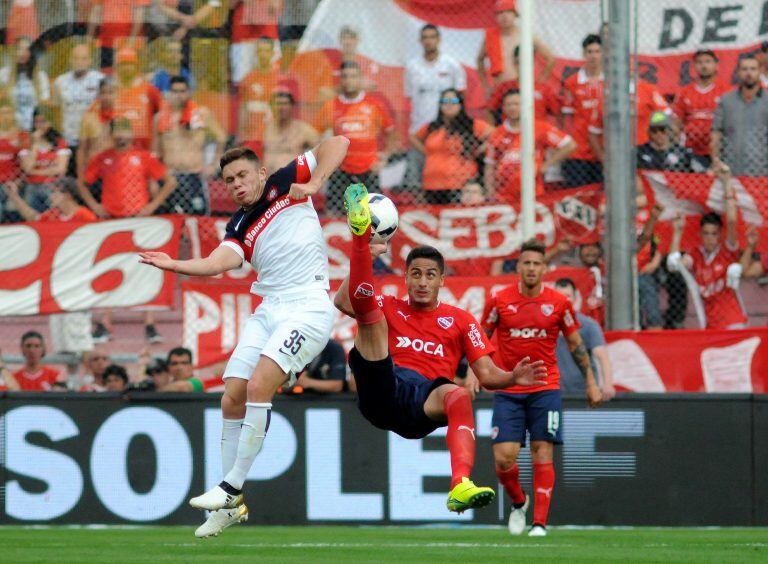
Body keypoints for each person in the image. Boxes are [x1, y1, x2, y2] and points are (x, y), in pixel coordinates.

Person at [138, 135, 350, 538]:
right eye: (229, 179)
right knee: (231, 394)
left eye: (242, 175)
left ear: (261, 173)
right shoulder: (238, 224)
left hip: (308, 305)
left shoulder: (287, 182)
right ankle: (230, 504)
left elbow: (337, 141)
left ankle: (232, 487)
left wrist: (316, 181)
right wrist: (174, 264)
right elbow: (218, 263)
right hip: (269, 309)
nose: (236, 184)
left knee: (258, 385)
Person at [334, 184, 547, 517]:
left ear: (442, 280)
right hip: (382, 387)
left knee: (460, 396)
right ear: (405, 277)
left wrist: (512, 378)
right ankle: (359, 238)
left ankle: (460, 484)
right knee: (370, 318)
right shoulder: (391, 306)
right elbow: (343, 301)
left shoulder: (460, 320)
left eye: (430, 275)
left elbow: (488, 376)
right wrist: (368, 254)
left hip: (422, 403)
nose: (422, 282)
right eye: (416, 274)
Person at [481, 238, 602, 538]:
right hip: (509, 388)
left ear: (545, 268)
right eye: (526, 263)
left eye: (537, 263)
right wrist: (475, 372)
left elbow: (576, 345)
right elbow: (481, 338)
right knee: (504, 458)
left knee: (541, 450)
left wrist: (591, 382)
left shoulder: (559, 304)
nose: (532, 268)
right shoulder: (499, 301)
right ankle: (519, 502)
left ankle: (539, 523)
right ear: (518, 267)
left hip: (545, 387)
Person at [668, 171, 747, 329]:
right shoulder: (696, 254)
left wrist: (727, 183)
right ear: (700, 234)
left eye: (714, 234)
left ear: (720, 234)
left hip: (733, 322)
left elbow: (731, 220)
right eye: (706, 233)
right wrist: (677, 232)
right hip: (710, 324)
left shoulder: (727, 250)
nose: (710, 238)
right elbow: (674, 265)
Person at [316, 61, 396, 214]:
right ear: (341, 80)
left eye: (353, 76)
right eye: (345, 76)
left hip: (369, 171)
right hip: (341, 172)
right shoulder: (331, 106)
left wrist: (384, 157)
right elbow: (316, 136)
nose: (349, 80)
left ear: (360, 78)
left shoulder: (374, 104)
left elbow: (391, 132)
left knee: (373, 217)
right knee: (336, 216)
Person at [403, 24, 466, 191]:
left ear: (439, 40)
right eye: (425, 37)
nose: (429, 41)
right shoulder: (412, 67)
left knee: (448, 179)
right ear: (420, 41)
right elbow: (409, 97)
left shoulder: (451, 65)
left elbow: (460, 98)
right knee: (415, 182)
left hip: (446, 132)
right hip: (419, 132)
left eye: (432, 37)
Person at [484, 90, 575, 204]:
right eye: (508, 104)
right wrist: (490, 193)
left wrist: (545, 165)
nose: (513, 108)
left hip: (533, 192)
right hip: (503, 195)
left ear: (526, 105)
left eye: (517, 104)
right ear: (503, 108)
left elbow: (569, 145)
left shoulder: (539, 128)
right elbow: (490, 166)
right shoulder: (497, 133)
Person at [154, 75, 226, 215]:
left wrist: (213, 165)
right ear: (168, 93)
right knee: (171, 218)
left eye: (182, 91)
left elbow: (221, 137)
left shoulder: (201, 114)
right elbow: (155, 152)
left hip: (194, 175)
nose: (178, 95)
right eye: (174, 91)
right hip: (171, 177)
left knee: (199, 217)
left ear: (189, 92)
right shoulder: (160, 118)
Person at [81, 117, 177, 219]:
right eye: (117, 131)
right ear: (111, 134)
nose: (121, 135)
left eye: (125, 131)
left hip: (137, 216)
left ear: (132, 134)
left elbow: (171, 182)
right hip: (110, 216)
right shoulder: (103, 158)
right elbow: (82, 183)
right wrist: (95, 206)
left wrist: (151, 206)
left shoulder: (144, 156)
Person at [410, 89, 492, 205]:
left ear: (460, 104)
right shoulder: (433, 126)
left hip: (460, 183)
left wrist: (480, 150)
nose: (448, 104)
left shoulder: (470, 125)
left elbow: (495, 135)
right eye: (444, 101)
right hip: (432, 183)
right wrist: (426, 151)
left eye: (453, 100)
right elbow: (413, 137)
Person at [552, 278, 614, 399]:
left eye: (567, 296)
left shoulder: (588, 326)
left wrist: (607, 384)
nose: (564, 300)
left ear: (575, 298)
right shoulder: (544, 326)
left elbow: (602, 356)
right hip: (553, 393)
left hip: (583, 394)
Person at [476, 0, 555, 94]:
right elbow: (480, 60)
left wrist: (540, 82)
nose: (504, 16)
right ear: (496, 17)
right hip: (499, 88)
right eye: (500, 13)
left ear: (515, 15)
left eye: (508, 12)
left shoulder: (526, 35)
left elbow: (550, 59)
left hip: (522, 88)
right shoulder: (490, 37)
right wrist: (486, 87)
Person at [711, 56, 768, 177]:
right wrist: (715, 161)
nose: (749, 73)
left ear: (760, 71)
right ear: (738, 72)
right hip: (731, 170)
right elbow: (716, 133)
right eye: (745, 69)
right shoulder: (726, 100)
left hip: (763, 171)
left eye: (753, 69)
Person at [51, 44, 104, 175]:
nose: (80, 62)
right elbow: (56, 111)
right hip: (69, 139)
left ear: (90, 60)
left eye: (84, 58)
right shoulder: (60, 82)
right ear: (70, 60)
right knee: (70, 179)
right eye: (76, 58)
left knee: (90, 178)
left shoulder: (99, 80)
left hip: (92, 141)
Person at [672, 49, 728, 171]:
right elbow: (677, 121)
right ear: (695, 66)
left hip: (721, 150)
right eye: (699, 62)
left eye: (708, 61)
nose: (704, 65)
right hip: (692, 149)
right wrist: (676, 144)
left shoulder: (726, 91)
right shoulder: (685, 92)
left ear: (716, 65)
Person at [560, 34, 604, 187]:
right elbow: (567, 117)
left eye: (598, 51)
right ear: (583, 54)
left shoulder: (612, 81)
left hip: (605, 149)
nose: (593, 56)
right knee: (579, 193)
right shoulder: (572, 82)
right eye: (589, 52)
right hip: (580, 150)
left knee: (604, 195)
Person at [485, 45, 560, 125]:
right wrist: (492, 131)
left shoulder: (544, 89)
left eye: (526, 62)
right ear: (514, 64)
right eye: (518, 62)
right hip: (511, 134)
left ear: (533, 63)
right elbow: (490, 109)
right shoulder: (505, 87)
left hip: (537, 134)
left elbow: (558, 113)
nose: (522, 66)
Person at [19, 108, 71, 212]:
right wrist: (35, 144)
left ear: (50, 123)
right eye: (37, 122)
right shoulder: (27, 142)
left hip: (53, 185)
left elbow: (60, 169)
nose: (40, 125)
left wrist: (35, 171)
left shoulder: (59, 142)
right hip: (32, 185)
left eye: (43, 121)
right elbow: (28, 167)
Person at [113, 47, 165, 150]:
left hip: (144, 149)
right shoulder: (111, 91)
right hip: (117, 148)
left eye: (130, 64)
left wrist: (157, 144)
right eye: (123, 64)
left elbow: (163, 113)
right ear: (117, 67)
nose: (126, 68)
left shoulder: (149, 90)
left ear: (136, 66)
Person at [238, 37, 281, 159]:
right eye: (260, 51)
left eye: (267, 51)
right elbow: (243, 109)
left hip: (273, 138)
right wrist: (241, 135)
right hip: (252, 137)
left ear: (273, 53)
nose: (263, 55)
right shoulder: (248, 79)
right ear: (256, 53)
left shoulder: (280, 79)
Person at [0, 36, 50, 131]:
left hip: (33, 129)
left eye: (27, 49)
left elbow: (44, 107)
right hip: (10, 129)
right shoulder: (3, 74)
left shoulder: (41, 77)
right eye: (19, 49)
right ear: (14, 52)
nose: (22, 53)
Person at [263, 89, 319, 173]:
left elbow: (323, 150)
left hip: (292, 182)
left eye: (285, 104)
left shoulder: (303, 130)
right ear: (272, 106)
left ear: (292, 106)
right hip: (268, 182)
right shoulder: (265, 129)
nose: (281, 108)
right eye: (278, 104)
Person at [229, 0, 282, 85]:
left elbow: (276, 7)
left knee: (272, 82)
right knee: (242, 84)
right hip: (242, 38)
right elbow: (229, 5)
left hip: (267, 36)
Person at [77, 76, 117, 185]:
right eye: (103, 93)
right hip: (94, 171)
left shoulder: (123, 118)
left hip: (115, 172)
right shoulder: (88, 117)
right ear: (98, 95)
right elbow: (82, 149)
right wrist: (81, 176)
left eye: (111, 93)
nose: (107, 97)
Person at [3, 176, 96, 222]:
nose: (51, 196)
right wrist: (14, 196)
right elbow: (33, 217)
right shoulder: (54, 214)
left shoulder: (85, 215)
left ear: (68, 195)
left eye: (55, 192)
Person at [87, 0, 148, 69]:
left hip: (129, 43)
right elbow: (96, 10)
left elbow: (140, 14)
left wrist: (131, 40)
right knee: (107, 72)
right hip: (106, 41)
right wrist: (89, 37)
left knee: (129, 74)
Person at [635, 202, 664, 330]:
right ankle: (639, 325)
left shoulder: (651, 212)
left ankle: (655, 326)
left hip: (645, 268)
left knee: (645, 284)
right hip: (626, 272)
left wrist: (655, 262)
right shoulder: (617, 215)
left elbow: (657, 239)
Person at [0, 97, 26, 223]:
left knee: (13, 210)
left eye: (9, 112)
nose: (6, 116)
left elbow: (26, 166)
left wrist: (18, 182)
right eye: (3, 113)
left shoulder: (21, 136)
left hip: (15, 183)